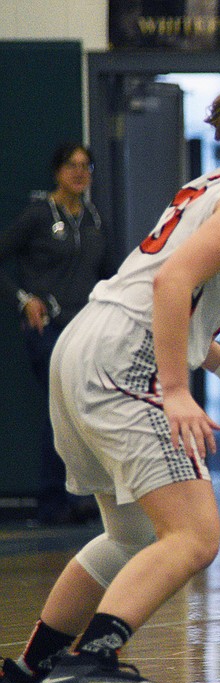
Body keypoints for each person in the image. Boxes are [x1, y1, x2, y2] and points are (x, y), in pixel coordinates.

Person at [0, 76, 220, 683]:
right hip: (125, 365)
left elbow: (167, 288)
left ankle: (22, 675)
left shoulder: (219, 185)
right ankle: (91, 655)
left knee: (130, 536)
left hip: (85, 347)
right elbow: (173, 281)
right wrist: (175, 388)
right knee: (197, 536)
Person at [0, 143, 122, 525]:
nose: (80, 172)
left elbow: (112, 273)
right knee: (64, 405)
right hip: (48, 328)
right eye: (72, 165)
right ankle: (54, 502)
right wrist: (23, 299)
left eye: (87, 166)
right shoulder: (39, 215)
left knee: (83, 409)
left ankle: (79, 497)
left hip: (87, 330)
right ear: (57, 171)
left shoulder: (95, 219)